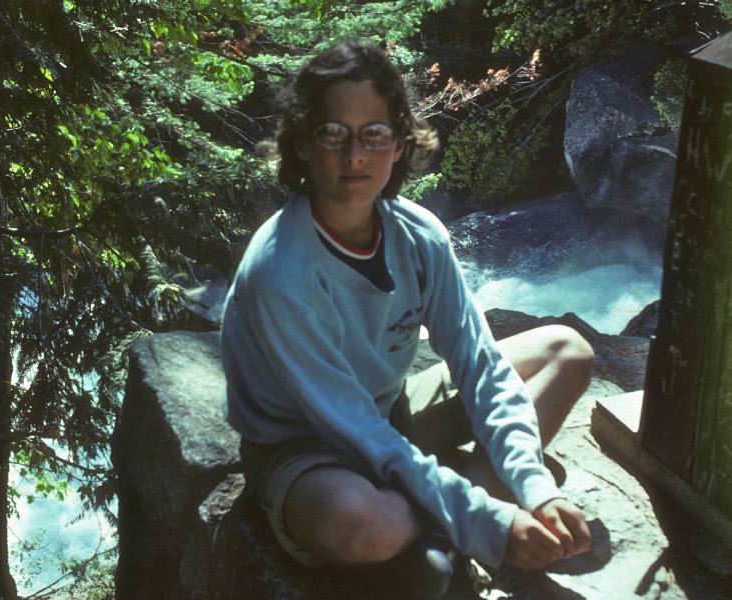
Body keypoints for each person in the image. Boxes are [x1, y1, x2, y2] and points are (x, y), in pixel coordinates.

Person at [221, 40, 593, 598]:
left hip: (391, 411)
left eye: (374, 134)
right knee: (368, 525)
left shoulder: (419, 235)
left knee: (566, 351)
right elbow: (351, 427)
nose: (355, 156)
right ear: (301, 143)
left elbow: (480, 366)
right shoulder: (279, 270)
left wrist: (536, 488)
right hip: (306, 446)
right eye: (332, 133)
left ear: (399, 144)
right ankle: (458, 513)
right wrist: (490, 520)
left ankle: (456, 509)